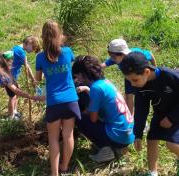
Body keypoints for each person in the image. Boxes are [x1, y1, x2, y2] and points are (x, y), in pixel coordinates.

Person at [120, 52, 179, 176]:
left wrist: (171, 118)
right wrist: (137, 134)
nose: (132, 84)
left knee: (172, 144)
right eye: (129, 81)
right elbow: (141, 110)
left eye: (134, 80)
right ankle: (152, 172)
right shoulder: (140, 85)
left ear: (147, 72)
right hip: (161, 112)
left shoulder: (170, 76)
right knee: (152, 139)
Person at [0, 51, 39, 173]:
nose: (12, 64)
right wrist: (33, 97)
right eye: (10, 62)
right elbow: (16, 91)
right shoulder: (2, 74)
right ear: (5, 62)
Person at [35, 20, 81, 176]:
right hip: (70, 99)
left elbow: (39, 79)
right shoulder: (67, 52)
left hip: (53, 101)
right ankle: (65, 167)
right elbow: (71, 68)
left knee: (53, 139)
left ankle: (54, 173)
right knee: (68, 134)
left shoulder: (40, 57)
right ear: (58, 35)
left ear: (43, 36)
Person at [72, 55, 135, 163]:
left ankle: (106, 149)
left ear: (82, 74)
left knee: (78, 117)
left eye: (77, 76)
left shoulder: (96, 88)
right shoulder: (105, 82)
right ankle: (117, 147)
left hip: (118, 136)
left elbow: (93, 119)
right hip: (129, 133)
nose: (77, 80)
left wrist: (83, 111)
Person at [101, 38, 156, 115]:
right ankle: (130, 116)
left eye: (113, 57)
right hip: (128, 77)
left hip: (139, 77)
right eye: (111, 57)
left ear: (123, 54)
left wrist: (155, 68)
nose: (112, 59)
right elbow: (104, 64)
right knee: (128, 95)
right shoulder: (116, 57)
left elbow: (150, 54)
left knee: (141, 96)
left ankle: (140, 114)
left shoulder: (137, 54)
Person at [7, 36, 41, 119]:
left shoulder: (18, 49)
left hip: (12, 76)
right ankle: (11, 116)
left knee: (16, 93)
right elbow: (27, 67)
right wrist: (33, 80)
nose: (32, 51)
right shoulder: (20, 51)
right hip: (8, 77)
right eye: (33, 48)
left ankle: (14, 111)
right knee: (13, 96)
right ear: (29, 43)